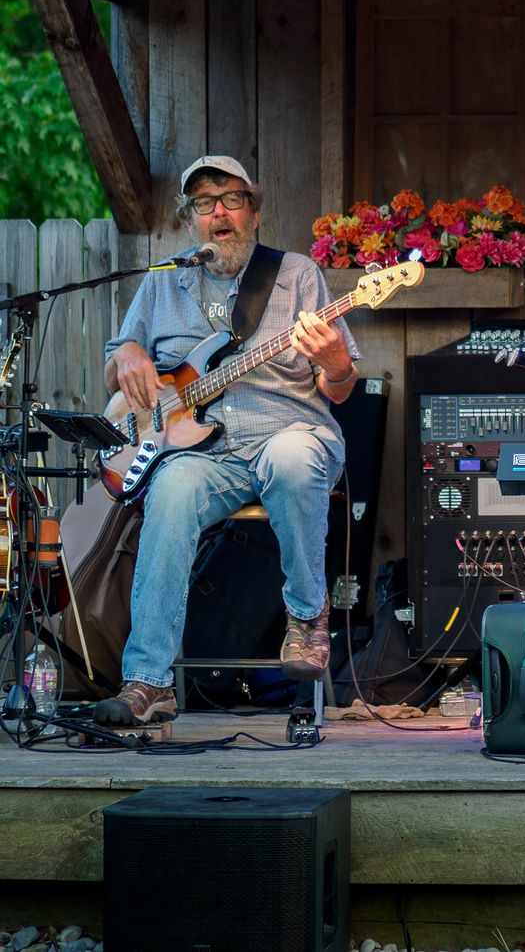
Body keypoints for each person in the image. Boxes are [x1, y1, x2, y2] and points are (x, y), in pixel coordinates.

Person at [92, 155, 361, 726]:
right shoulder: (162, 281)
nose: (219, 213)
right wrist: (128, 354)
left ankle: (307, 620)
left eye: (232, 200)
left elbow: (338, 390)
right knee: (169, 492)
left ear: (253, 212)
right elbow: (115, 365)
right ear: (191, 219)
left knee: (292, 459)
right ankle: (148, 680)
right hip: (202, 453)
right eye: (205, 203)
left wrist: (337, 361)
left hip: (288, 432)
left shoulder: (296, 275)